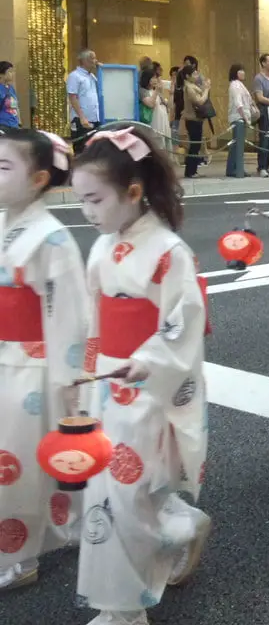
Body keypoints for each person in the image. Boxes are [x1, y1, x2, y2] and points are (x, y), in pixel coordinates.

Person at [71, 124, 211, 625]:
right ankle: (181, 525)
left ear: (133, 192)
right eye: (81, 201)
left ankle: (124, 609)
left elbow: (183, 321)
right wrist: (82, 375)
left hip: (146, 384)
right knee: (112, 492)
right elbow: (93, 318)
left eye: (94, 200)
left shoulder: (168, 252)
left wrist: (147, 361)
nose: (87, 213)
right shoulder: (102, 246)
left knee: (124, 495)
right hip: (108, 379)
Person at [0, 129, 87, 593]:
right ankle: (57, 529)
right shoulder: (9, 225)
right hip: (6, 357)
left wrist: (69, 379)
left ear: (37, 178)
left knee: (14, 461)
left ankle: (18, 555)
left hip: (31, 365)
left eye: (4, 167)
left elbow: (69, 314)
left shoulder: (50, 238)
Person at [227, 64, 257, 178]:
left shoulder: (240, 85)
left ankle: (234, 167)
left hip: (242, 117)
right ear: (235, 73)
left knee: (237, 145)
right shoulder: (235, 85)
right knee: (237, 145)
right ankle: (235, 168)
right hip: (238, 118)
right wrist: (244, 117)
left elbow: (248, 101)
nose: (243, 73)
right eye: (241, 71)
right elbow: (238, 103)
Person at [68, 49, 100, 155]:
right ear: (84, 61)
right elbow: (73, 97)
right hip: (81, 120)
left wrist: (101, 69)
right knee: (81, 150)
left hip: (94, 119)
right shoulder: (75, 76)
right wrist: (82, 117)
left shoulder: (92, 76)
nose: (95, 61)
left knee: (93, 150)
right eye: (92, 58)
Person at [181, 64, 210, 179]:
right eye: (194, 74)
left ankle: (192, 170)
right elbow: (199, 101)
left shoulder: (193, 85)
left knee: (196, 145)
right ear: (187, 76)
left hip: (196, 119)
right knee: (194, 145)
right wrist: (207, 90)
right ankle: (190, 171)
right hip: (192, 119)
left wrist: (205, 87)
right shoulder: (189, 87)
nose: (197, 75)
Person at [139, 69, 171, 153]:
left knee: (163, 148)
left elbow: (166, 106)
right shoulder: (142, 91)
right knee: (155, 149)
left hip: (162, 123)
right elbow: (150, 104)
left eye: (156, 77)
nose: (155, 80)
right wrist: (156, 91)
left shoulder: (155, 91)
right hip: (152, 124)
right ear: (147, 79)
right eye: (153, 77)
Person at [0, 61, 21, 129]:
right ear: (1, 74)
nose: (12, 74)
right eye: (9, 72)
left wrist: (19, 122)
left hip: (14, 125)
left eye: (13, 71)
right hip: (3, 125)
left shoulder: (11, 88)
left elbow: (16, 107)